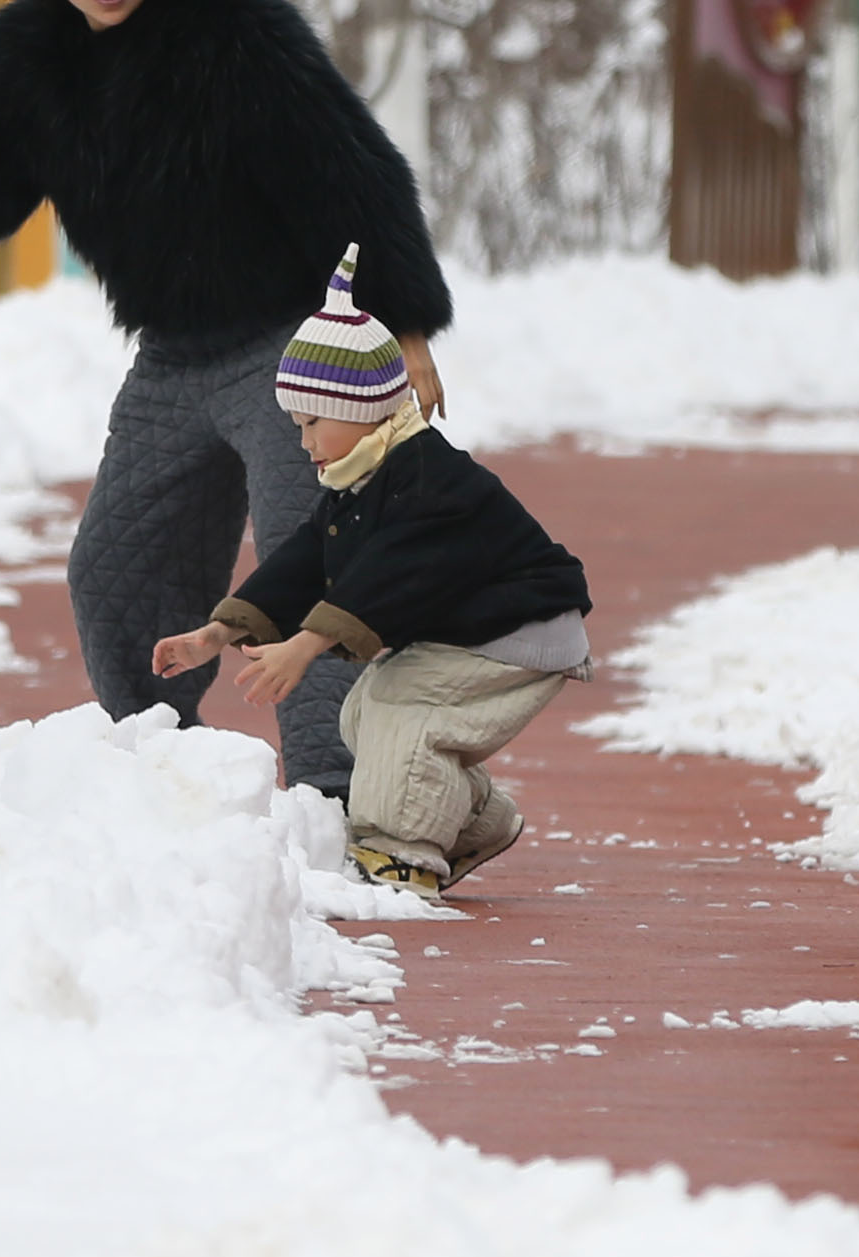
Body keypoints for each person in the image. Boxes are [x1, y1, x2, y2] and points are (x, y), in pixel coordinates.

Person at [0, 0, 454, 798]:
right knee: (114, 575)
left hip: (295, 346)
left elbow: (351, 172)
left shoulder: (236, 30)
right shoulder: (30, 61)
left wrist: (406, 323)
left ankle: (348, 801)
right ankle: (158, 778)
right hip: (172, 361)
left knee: (310, 573)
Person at [149, 258, 592, 902]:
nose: (305, 443)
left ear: (361, 406)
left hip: (520, 625)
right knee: (361, 711)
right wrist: (221, 630)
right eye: (298, 426)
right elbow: (308, 560)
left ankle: (401, 857)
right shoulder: (364, 474)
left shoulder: (425, 479)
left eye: (313, 423)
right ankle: (474, 821)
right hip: (473, 625)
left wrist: (304, 646)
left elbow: (393, 573)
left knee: (398, 711)